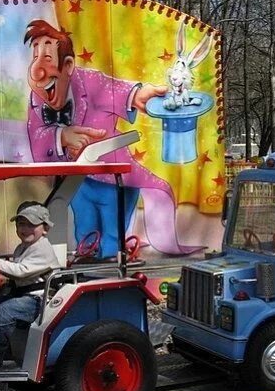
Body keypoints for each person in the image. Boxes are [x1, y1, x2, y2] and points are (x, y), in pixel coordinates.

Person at [24, 19, 200, 257]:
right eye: (34, 58)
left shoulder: (90, 82)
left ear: (67, 65)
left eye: (46, 59)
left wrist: (138, 94)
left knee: (111, 238)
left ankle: (108, 274)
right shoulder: (37, 101)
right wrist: (62, 135)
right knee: (84, 233)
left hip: (113, 180)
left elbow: (117, 90)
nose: (38, 69)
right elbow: (37, 137)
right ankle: (87, 269)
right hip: (77, 182)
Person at [0, 202, 62, 370]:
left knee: (6, 311)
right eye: (21, 224)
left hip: (40, 299)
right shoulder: (23, 247)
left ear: (45, 228)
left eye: (31, 225)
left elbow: (21, 271)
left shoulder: (42, 248)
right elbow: (17, 273)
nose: (24, 229)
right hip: (25, 294)